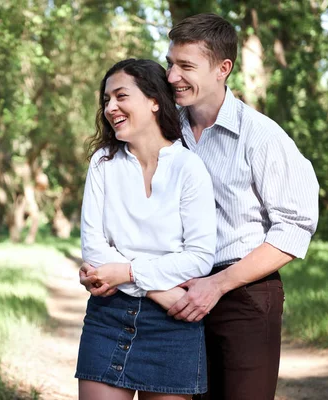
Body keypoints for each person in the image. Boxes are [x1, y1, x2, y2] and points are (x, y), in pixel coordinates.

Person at [80, 14, 320, 400]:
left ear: (223, 69)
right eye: (171, 63)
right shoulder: (165, 129)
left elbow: (294, 227)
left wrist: (218, 284)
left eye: (186, 66)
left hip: (243, 290)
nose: (172, 76)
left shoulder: (261, 137)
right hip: (174, 292)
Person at [76, 58, 217, 400]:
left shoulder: (190, 168)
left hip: (172, 327)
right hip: (113, 315)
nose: (111, 108)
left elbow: (199, 259)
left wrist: (124, 272)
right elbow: (93, 250)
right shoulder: (103, 162)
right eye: (106, 100)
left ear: (154, 100)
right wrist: (160, 291)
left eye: (121, 96)